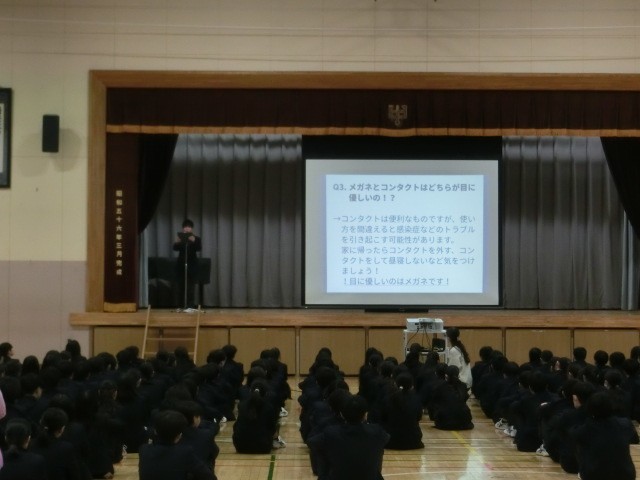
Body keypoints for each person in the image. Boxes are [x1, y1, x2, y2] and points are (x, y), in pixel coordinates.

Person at [307, 394, 389, 480]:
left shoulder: (331, 432)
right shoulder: (376, 431)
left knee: (322, 449)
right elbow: (386, 438)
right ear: (365, 415)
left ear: (341, 414)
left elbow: (311, 442)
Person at [571, 390, 638, 480]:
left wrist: (579, 410)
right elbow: (634, 439)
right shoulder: (625, 424)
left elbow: (573, 436)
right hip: (626, 475)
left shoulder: (586, 428)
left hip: (595, 475)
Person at [139, 409, 214, 480]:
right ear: (179, 435)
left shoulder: (144, 449)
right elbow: (208, 477)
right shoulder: (185, 452)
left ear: (155, 431)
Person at [173, 218, 202, 309]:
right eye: (185, 227)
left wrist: (193, 240)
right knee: (180, 287)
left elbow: (199, 248)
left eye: (189, 227)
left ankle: (190, 306)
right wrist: (177, 242)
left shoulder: (196, 238)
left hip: (192, 265)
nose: (187, 228)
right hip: (181, 265)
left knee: (190, 287)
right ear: (183, 228)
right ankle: (180, 305)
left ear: (192, 229)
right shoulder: (181, 238)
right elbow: (175, 248)